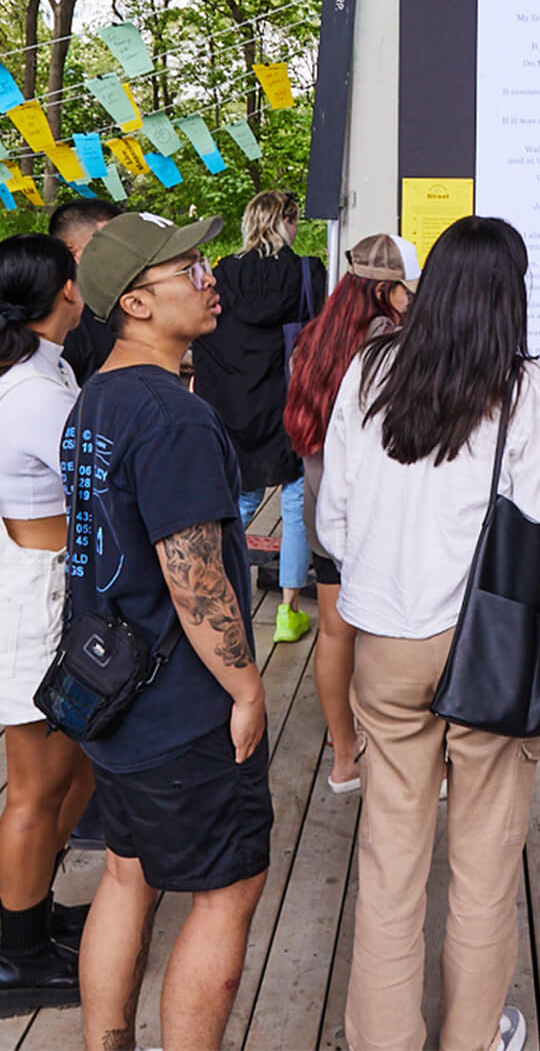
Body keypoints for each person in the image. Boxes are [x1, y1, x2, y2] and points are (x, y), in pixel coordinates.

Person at [318, 216, 540, 1051]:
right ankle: (472, 1037)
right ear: (513, 293)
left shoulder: (371, 370)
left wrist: (389, 579)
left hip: (385, 644)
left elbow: (334, 519)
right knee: (485, 862)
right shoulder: (527, 388)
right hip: (487, 648)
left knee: (391, 859)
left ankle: (383, 1040)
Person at [70, 212, 272, 1051]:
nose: (210, 274)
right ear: (138, 302)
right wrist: (247, 687)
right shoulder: (171, 416)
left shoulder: (97, 400)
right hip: (180, 704)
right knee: (226, 893)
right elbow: (196, 581)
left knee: (126, 873)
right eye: (190, 266)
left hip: (109, 694)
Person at [283, 233, 418, 795]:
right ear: (389, 291)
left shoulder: (313, 339)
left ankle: (344, 757)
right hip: (377, 519)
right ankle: (390, 750)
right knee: (386, 635)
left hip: (322, 511)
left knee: (335, 634)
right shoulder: (392, 346)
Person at [0, 235, 95, 1014]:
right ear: (64, 290)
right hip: (37, 597)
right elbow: (97, 477)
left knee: (70, 770)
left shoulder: (44, 367)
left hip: (45, 584)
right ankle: (16, 955)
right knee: (37, 784)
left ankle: (26, 913)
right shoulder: (34, 391)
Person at [191, 189, 325, 644]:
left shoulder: (222, 275)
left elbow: (206, 340)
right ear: (286, 221)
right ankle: (287, 613)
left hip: (236, 406)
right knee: (294, 507)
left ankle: (219, 597)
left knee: (238, 502)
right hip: (290, 404)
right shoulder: (307, 272)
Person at [48, 199, 121, 385]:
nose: (123, 254)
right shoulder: (56, 317)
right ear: (72, 252)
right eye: (111, 244)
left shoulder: (116, 305)